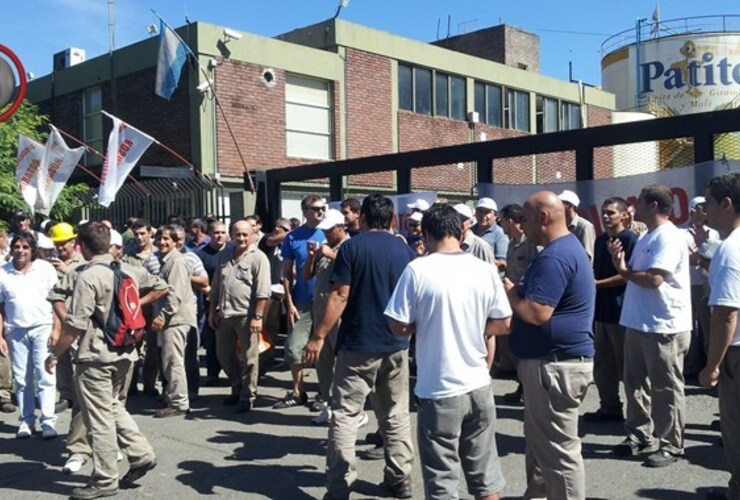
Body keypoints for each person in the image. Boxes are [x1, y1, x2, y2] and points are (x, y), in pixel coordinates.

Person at [385, 204, 512, 500]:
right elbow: (504, 323)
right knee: (486, 477)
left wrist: (423, 324)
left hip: (439, 388)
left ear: (427, 234)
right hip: (479, 384)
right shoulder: (484, 269)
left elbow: (397, 325)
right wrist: (477, 329)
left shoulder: (418, 269)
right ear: (460, 230)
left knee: (442, 480)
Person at [304, 194, 416, 499]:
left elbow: (340, 295)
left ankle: (340, 486)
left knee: (345, 414)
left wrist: (318, 335)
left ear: (363, 218)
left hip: (358, 343)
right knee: (395, 413)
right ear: (392, 220)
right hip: (395, 343)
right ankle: (400, 477)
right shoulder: (404, 251)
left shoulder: (352, 248)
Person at [45, 222, 164, 499]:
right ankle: (141, 453)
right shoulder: (128, 269)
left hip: (96, 355)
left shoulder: (86, 275)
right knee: (112, 407)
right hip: (126, 351)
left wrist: (56, 354)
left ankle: (105, 480)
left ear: (82, 247)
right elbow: (161, 286)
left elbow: (75, 325)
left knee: (98, 419)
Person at [502, 191, 595, 500]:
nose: (521, 225)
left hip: (554, 366)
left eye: (524, 219)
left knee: (558, 452)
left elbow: (536, 312)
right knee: (542, 445)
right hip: (553, 364)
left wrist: (510, 291)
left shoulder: (556, 256)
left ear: (543, 218)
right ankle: (540, 494)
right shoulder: (564, 249)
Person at [609, 184, 691, 468]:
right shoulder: (648, 236)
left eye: (639, 201)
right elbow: (635, 273)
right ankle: (639, 434)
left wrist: (623, 270)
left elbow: (655, 278)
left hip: (663, 325)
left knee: (665, 387)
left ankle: (670, 444)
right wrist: (622, 264)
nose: (634, 206)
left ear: (654, 205)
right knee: (634, 383)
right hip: (637, 321)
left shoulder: (669, 237)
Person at [698, 173, 740, 499]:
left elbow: (726, 314)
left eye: (709, 203)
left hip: (736, 354)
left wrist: (712, 366)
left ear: (727, 204)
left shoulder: (729, 250)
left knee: (736, 435)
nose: (703, 211)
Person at [0, 231, 59, 439]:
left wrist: (57, 328)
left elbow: (57, 301)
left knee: (45, 374)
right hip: (15, 331)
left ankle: (48, 420)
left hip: (43, 326)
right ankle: (26, 420)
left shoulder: (45, 269)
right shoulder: (3, 272)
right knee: (22, 379)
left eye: (25, 247)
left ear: (32, 250)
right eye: (17, 247)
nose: (21, 251)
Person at [584, 197, 637, 422]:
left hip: (622, 312)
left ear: (624, 215)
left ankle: (638, 416)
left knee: (628, 367)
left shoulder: (630, 239)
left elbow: (628, 276)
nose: (606, 217)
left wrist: (596, 284)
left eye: (611, 213)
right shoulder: (600, 240)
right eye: (604, 212)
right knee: (603, 364)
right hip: (602, 312)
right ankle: (610, 407)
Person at [209, 220, 271, 413]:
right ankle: (237, 386)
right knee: (224, 354)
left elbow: (263, 291)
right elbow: (216, 285)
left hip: (246, 315)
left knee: (250, 357)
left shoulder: (258, 258)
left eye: (245, 234)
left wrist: (258, 317)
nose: (241, 238)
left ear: (252, 235)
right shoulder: (224, 255)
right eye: (238, 234)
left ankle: (248, 395)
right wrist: (213, 310)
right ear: (232, 235)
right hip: (225, 314)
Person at [275, 195, 326, 409]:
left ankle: (324, 394)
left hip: (326, 301)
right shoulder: (293, 238)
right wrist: (290, 303)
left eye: (322, 208)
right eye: (315, 209)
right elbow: (286, 273)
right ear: (304, 211)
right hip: (302, 302)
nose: (321, 212)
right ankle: (297, 391)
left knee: (325, 351)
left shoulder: (330, 232)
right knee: (294, 348)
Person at [303, 209, 350, 425]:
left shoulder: (348, 248)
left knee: (341, 365)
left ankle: (346, 410)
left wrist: (332, 255)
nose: (327, 234)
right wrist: (312, 258)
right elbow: (306, 277)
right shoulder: (326, 248)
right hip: (320, 312)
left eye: (330, 230)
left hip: (339, 316)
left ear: (340, 227)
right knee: (323, 363)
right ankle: (329, 403)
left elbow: (354, 271)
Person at [151, 225, 197, 418]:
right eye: (160, 239)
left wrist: (163, 315)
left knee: (173, 360)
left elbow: (175, 294)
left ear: (175, 242)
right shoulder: (166, 261)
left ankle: (178, 402)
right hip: (172, 318)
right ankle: (173, 395)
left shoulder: (176, 262)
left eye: (166, 239)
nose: (162, 242)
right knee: (169, 360)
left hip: (176, 319)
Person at [497, 203, 540, 403]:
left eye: (503, 220)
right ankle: (521, 385)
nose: (501, 225)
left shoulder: (531, 244)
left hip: (525, 301)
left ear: (511, 221)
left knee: (526, 348)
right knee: (514, 347)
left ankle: (529, 389)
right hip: (511, 301)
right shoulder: (511, 243)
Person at [49, 222, 87, 413]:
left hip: (74, 319)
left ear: (73, 242)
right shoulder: (51, 262)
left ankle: (80, 397)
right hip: (56, 318)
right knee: (60, 359)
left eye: (64, 243)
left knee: (76, 359)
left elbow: (88, 284)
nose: (60, 247)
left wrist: (67, 271)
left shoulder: (82, 262)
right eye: (57, 244)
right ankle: (66, 396)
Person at [683, 196, 720, 377]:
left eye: (706, 207)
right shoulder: (681, 233)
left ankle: (709, 365)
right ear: (692, 210)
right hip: (687, 284)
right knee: (687, 326)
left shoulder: (713, 233)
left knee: (707, 326)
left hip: (706, 284)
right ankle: (690, 366)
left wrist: (698, 256)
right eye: (700, 207)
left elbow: (712, 258)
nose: (703, 210)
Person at [197, 221, 231, 386]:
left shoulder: (233, 250)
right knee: (211, 339)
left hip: (231, 301)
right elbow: (199, 279)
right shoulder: (201, 254)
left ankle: (234, 373)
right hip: (209, 301)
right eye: (216, 232)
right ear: (209, 234)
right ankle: (212, 373)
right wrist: (212, 296)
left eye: (223, 232)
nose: (220, 236)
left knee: (231, 340)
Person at [558, 190, 596, 261]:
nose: (557, 206)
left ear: (570, 205)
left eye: (561, 203)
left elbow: (588, 257)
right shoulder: (560, 226)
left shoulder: (585, 226)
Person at [473, 197, 508, 272]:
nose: (482, 215)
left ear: (495, 215)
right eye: (480, 211)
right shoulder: (470, 231)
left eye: (487, 212)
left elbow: (502, 263)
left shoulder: (500, 234)